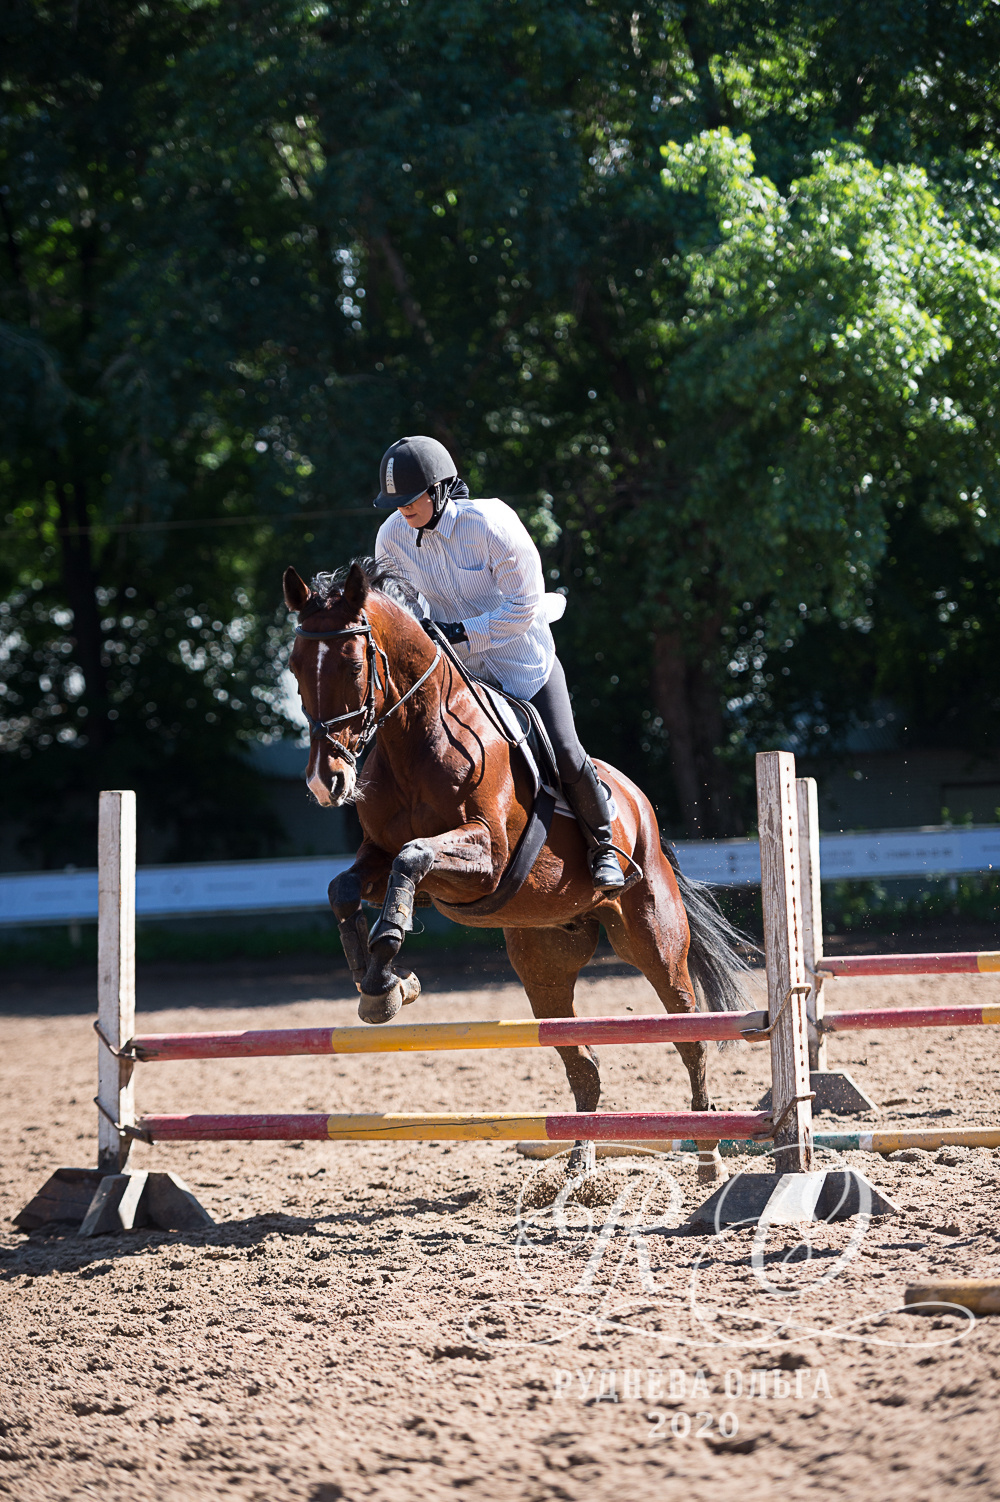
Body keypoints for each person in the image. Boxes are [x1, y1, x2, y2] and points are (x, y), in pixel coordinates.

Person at [373, 434, 624, 893]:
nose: (402, 510)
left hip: (523, 667)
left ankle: (604, 845)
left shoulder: (491, 523)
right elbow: (399, 610)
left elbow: (524, 607)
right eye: (395, 502)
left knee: (565, 752)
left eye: (409, 500)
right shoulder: (391, 536)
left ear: (439, 489)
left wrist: (462, 632)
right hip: (459, 679)